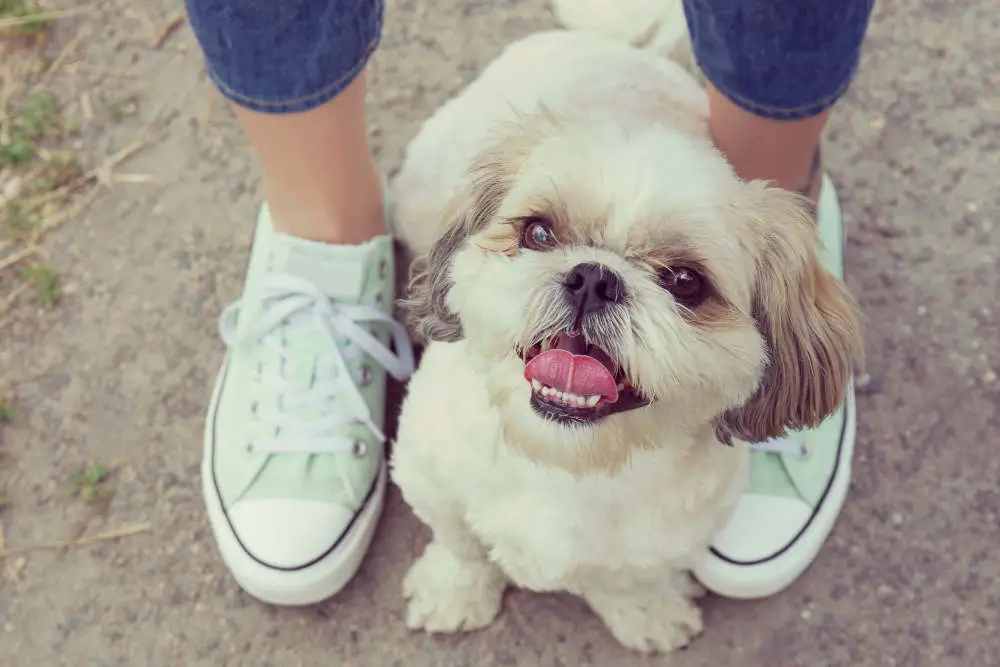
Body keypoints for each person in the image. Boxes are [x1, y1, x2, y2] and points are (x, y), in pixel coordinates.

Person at [187, 0, 875, 606]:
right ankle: (325, 232)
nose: (591, 285)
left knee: (758, 174)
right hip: (530, 96)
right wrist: (462, 564)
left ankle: (790, 184)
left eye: (684, 282)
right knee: (418, 201)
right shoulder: (441, 434)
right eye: (541, 233)